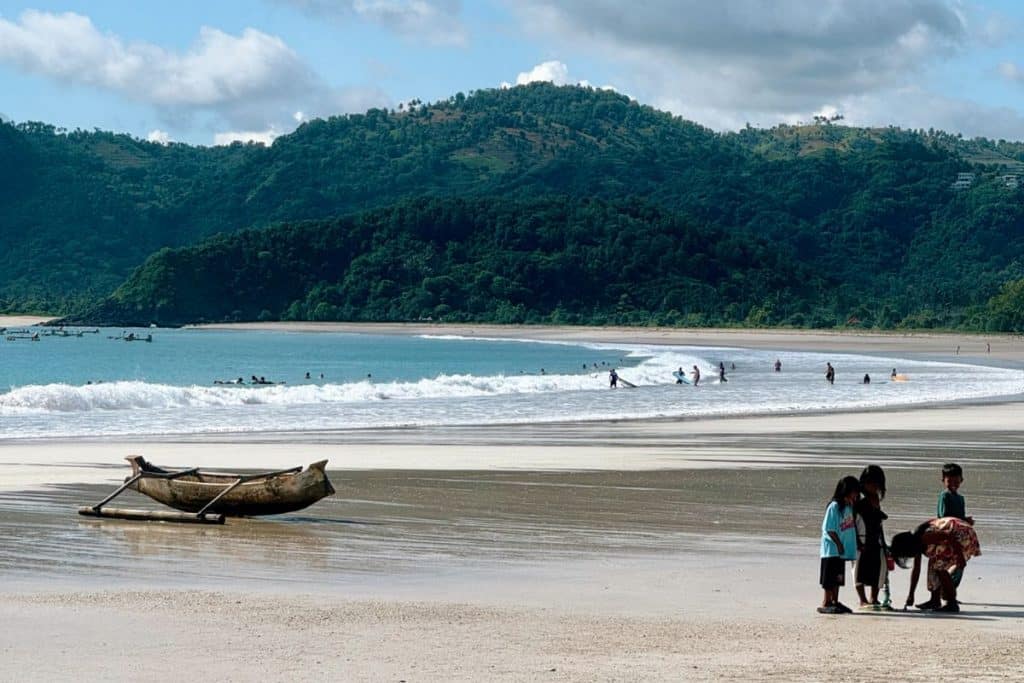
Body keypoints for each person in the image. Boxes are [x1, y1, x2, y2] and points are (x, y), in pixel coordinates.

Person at [890, 517, 981, 613]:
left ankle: (952, 603)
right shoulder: (917, 543)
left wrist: (960, 557)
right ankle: (935, 600)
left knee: (939, 567)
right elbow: (916, 570)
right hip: (955, 534)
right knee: (934, 563)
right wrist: (911, 594)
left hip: (962, 535)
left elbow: (947, 536)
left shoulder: (924, 536)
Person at [818, 476, 860, 614]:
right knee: (829, 579)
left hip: (841, 552)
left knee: (838, 578)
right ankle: (826, 602)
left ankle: (835, 601)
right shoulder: (834, 506)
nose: (856, 495)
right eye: (854, 491)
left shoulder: (848, 507)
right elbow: (829, 529)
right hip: (831, 550)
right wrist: (839, 544)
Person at [854, 466, 890, 610]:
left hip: (875, 538)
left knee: (877, 569)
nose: (874, 486)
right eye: (871, 483)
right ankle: (862, 599)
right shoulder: (859, 499)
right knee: (859, 569)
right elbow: (854, 522)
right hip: (862, 539)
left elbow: (879, 522)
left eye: (877, 483)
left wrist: (884, 542)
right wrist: (856, 541)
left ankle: (873, 598)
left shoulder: (875, 498)